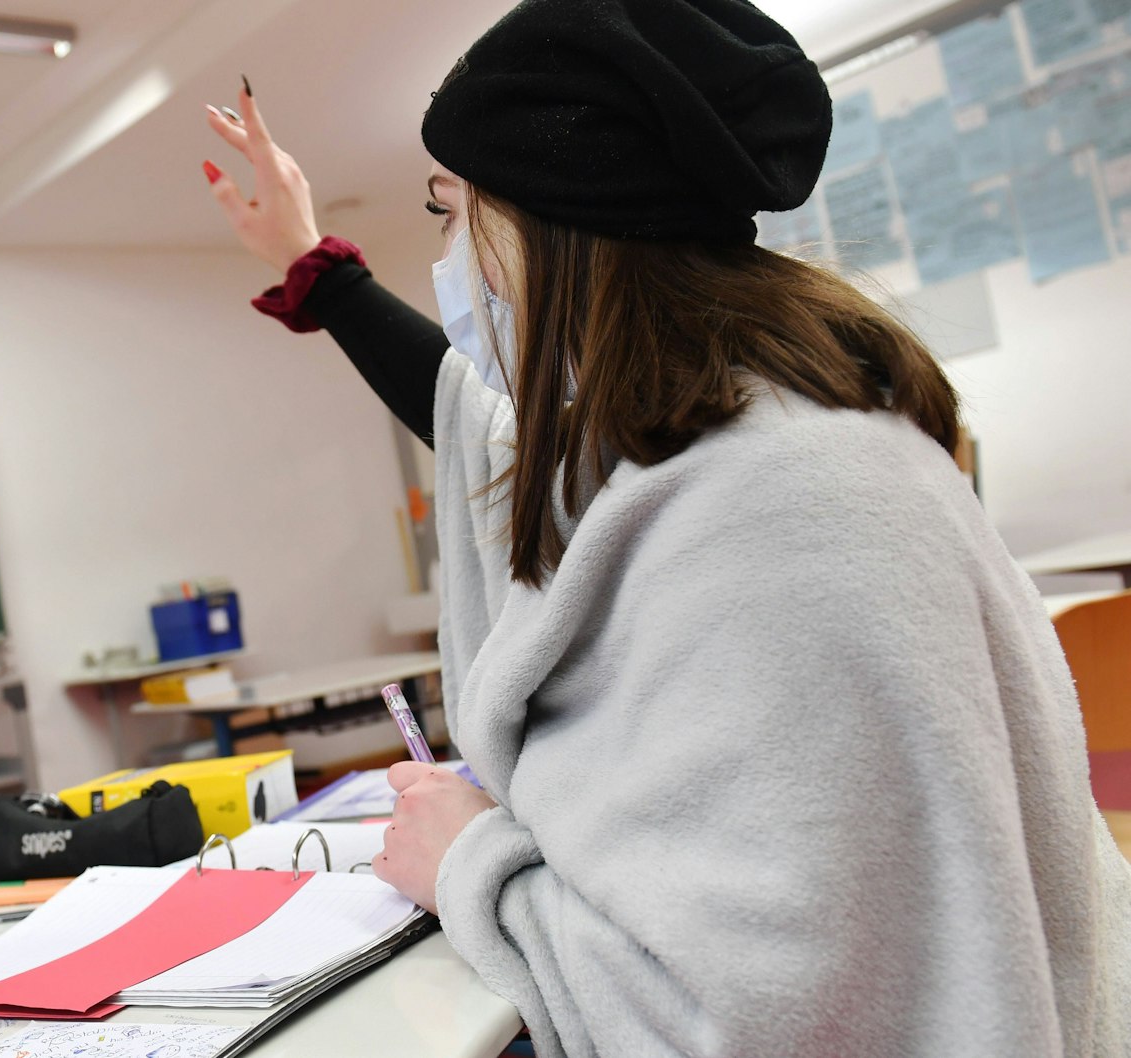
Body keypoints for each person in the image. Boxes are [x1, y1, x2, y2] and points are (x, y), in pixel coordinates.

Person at [202, 0, 1130, 1054]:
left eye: (448, 211)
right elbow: (476, 422)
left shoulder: (782, 510)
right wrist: (315, 269)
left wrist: (467, 859)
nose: (452, 256)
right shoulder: (712, 436)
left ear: (548, 222)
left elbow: (775, 1012)